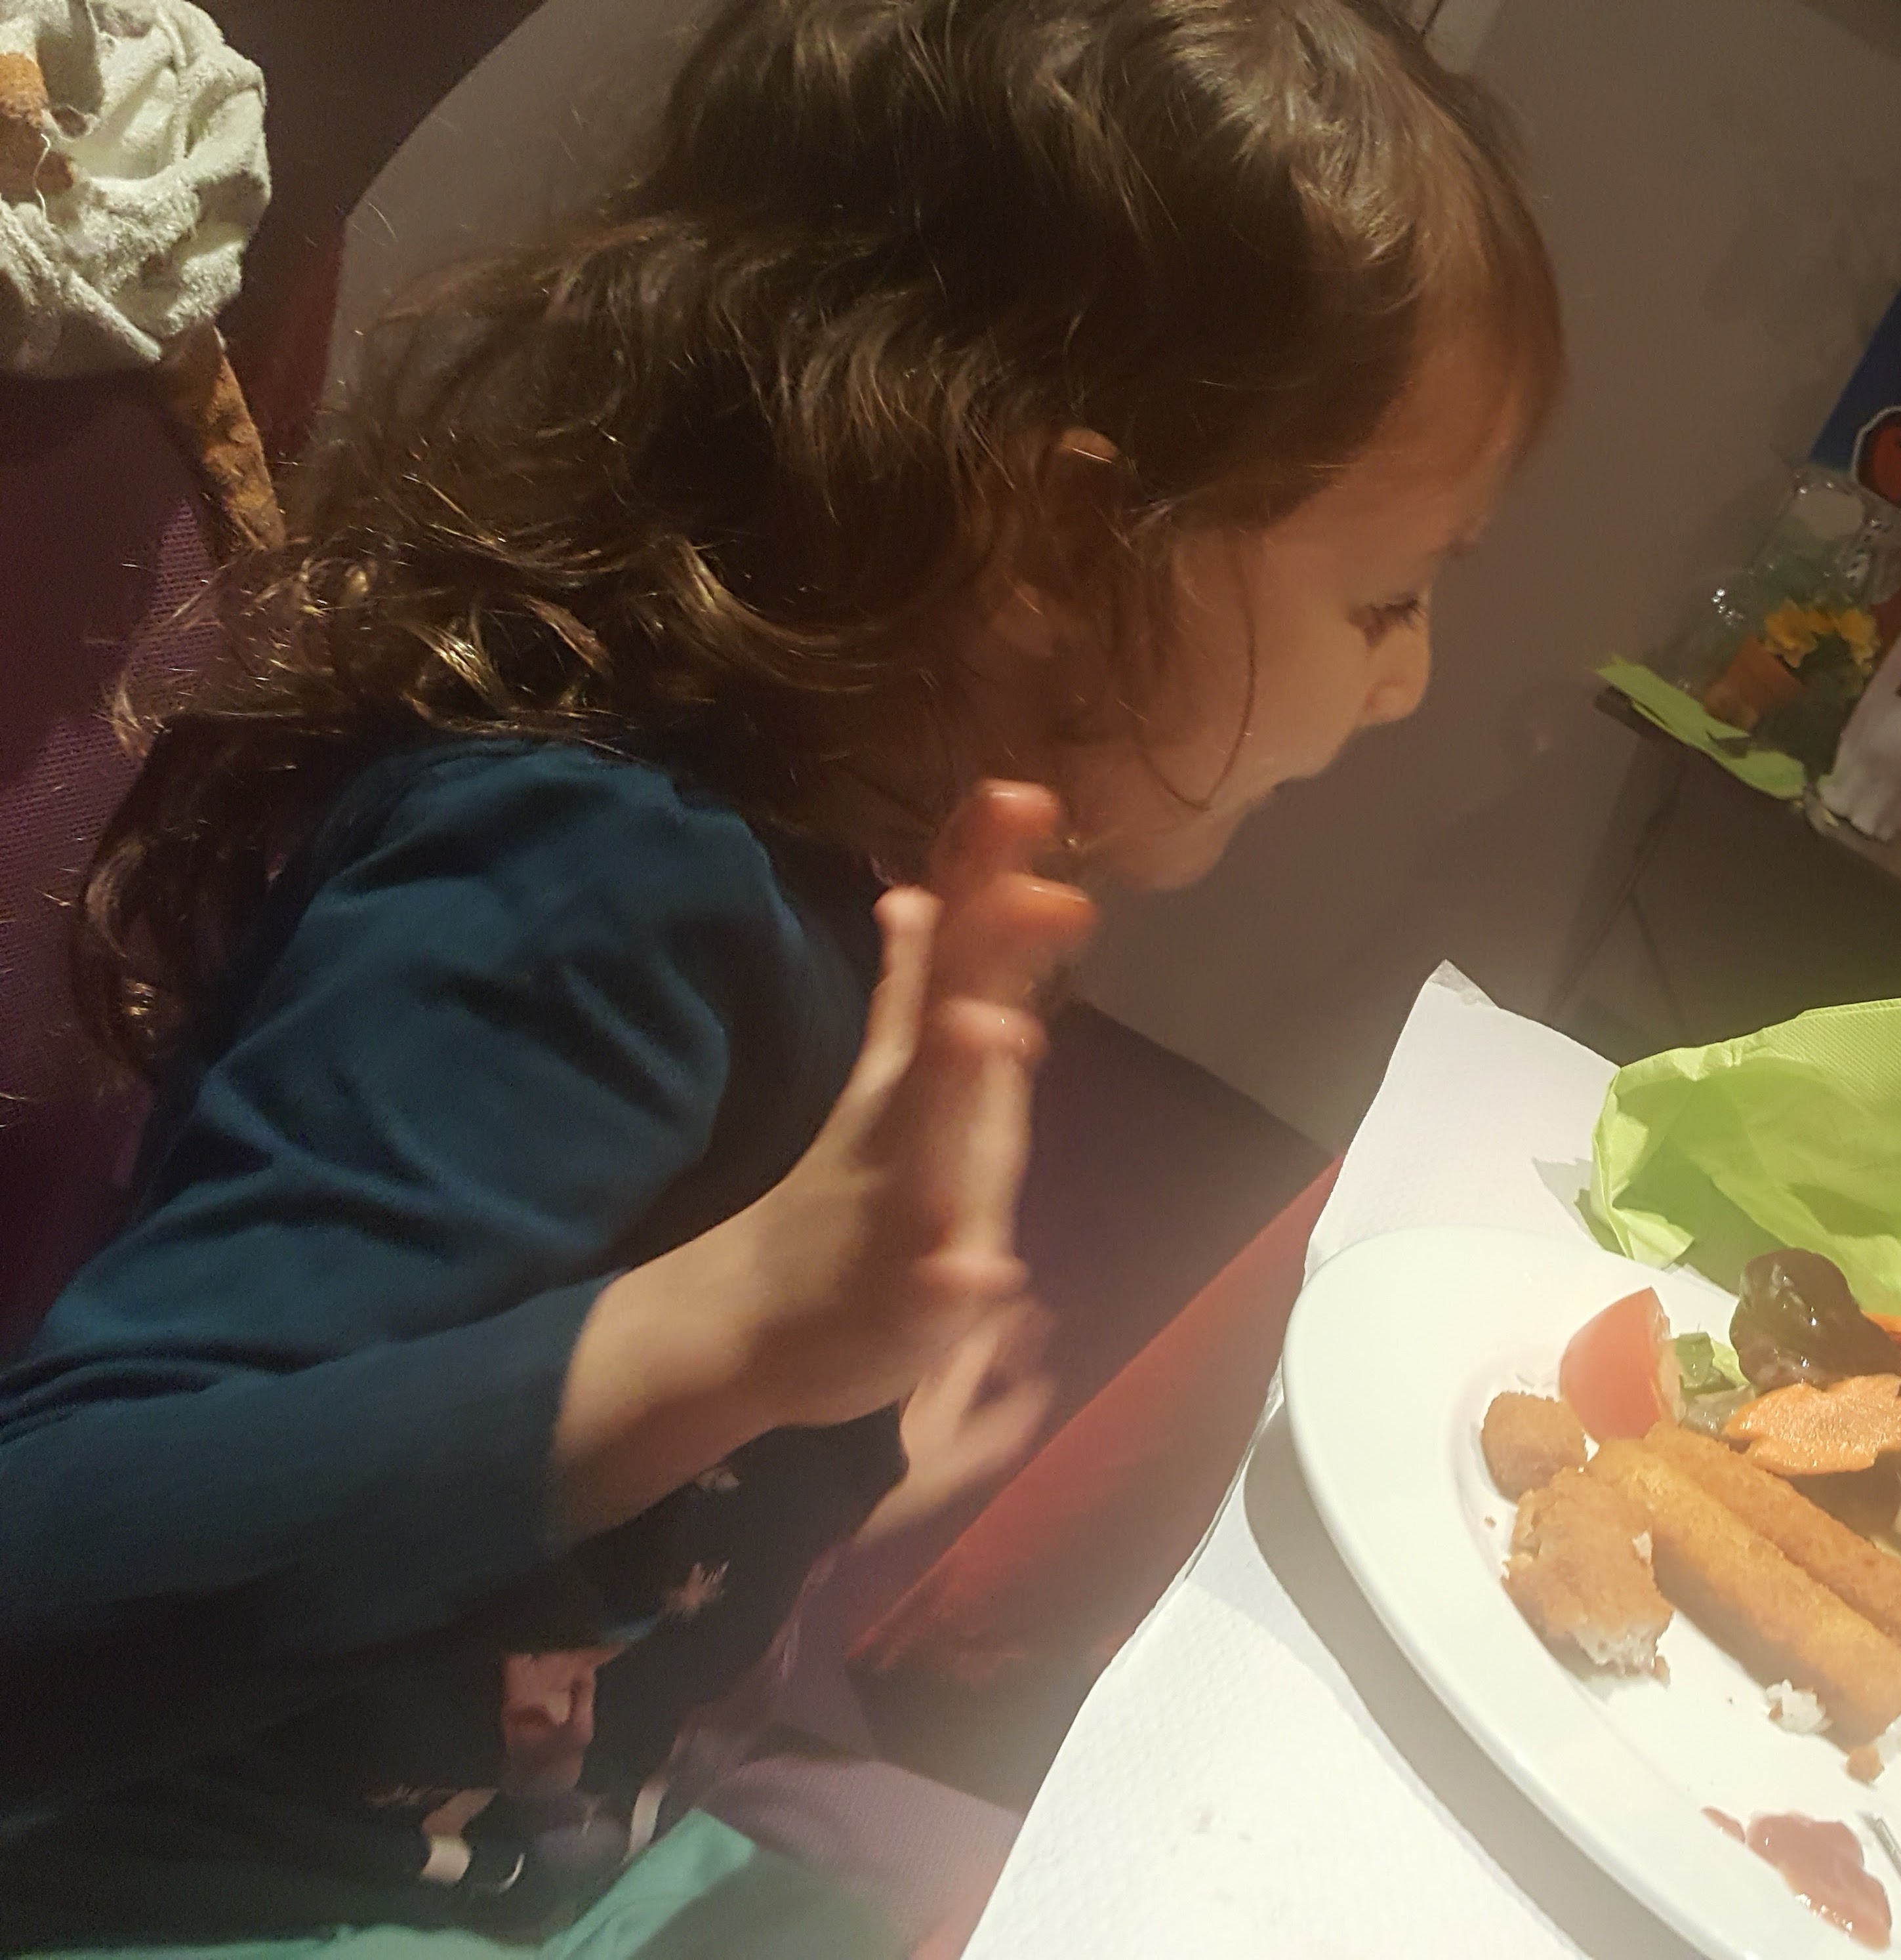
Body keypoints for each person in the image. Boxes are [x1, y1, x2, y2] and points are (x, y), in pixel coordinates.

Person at [0, 0, 1560, 1951]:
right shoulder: (583, 884)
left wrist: (810, 1447)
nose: (1405, 681)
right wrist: (737, 1334)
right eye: (1385, 596)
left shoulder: (884, 876)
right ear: (1064, 537)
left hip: (562, 1839)